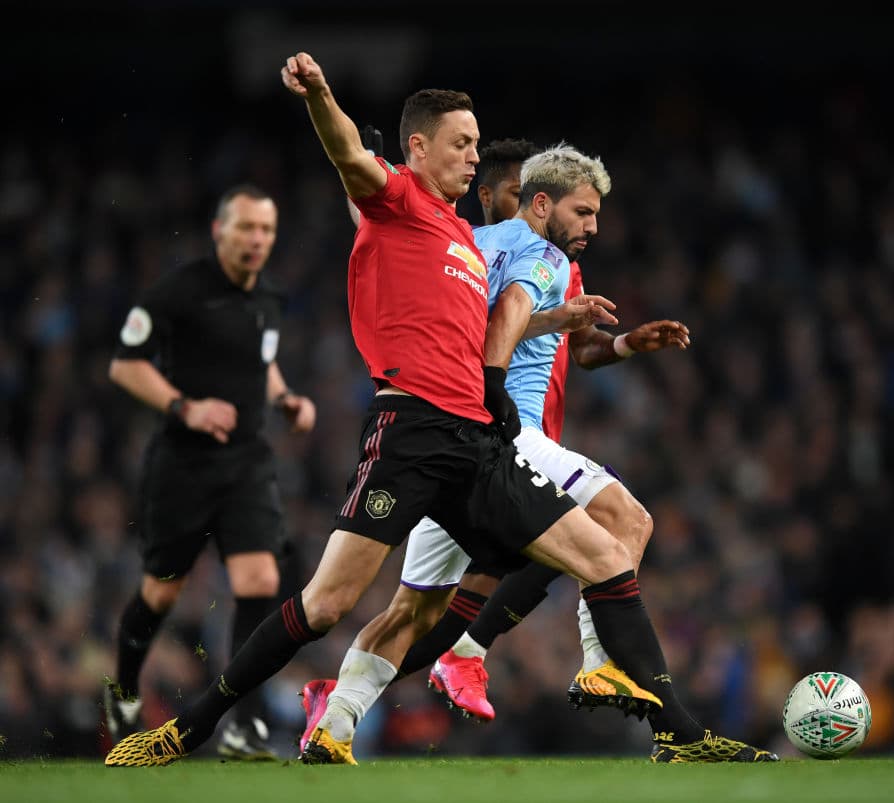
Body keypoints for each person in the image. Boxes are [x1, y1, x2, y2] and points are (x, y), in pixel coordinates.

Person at [104, 51, 777, 768]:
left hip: (479, 446)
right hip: (412, 432)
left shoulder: (463, 239)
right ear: (417, 147)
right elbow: (347, 155)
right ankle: (188, 729)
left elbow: (497, 323)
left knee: (608, 556)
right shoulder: (395, 202)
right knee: (327, 604)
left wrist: (569, 324)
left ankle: (678, 733)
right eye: (462, 143)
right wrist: (320, 96)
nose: (474, 156)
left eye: (477, 143)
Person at [293, 140, 712, 763]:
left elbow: (561, 339)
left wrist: (621, 345)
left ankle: (338, 709)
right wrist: (496, 391)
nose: (591, 227)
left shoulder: (459, 249)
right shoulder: (535, 253)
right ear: (527, 202)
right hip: (505, 437)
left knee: (416, 611)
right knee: (624, 522)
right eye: (582, 212)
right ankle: (592, 664)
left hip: (448, 440)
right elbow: (510, 318)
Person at [103, 184, 317, 761]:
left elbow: (261, 358)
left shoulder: (270, 296)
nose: (256, 240)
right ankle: (122, 685)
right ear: (219, 230)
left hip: (246, 461)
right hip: (183, 464)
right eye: (245, 228)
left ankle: (243, 726)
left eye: (266, 230)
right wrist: (184, 406)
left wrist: (286, 397)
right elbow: (125, 366)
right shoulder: (179, 292)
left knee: (260, 583)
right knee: (161, 594)